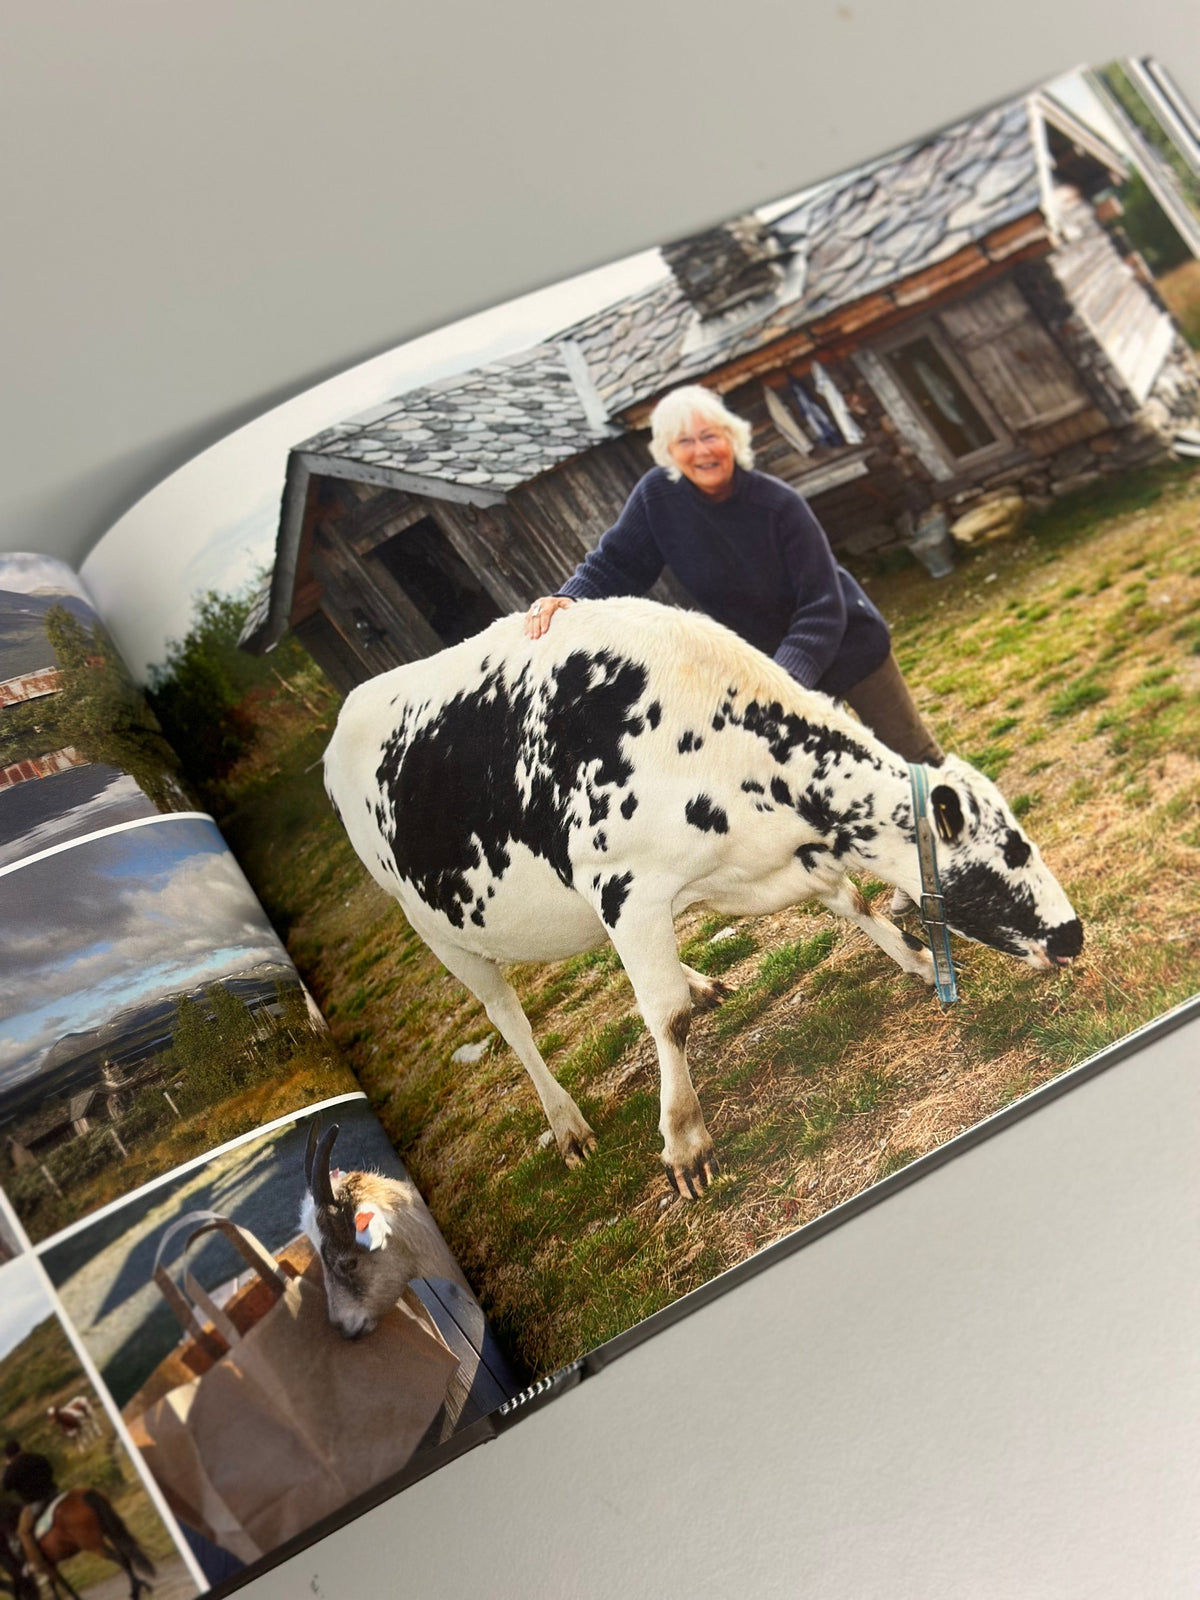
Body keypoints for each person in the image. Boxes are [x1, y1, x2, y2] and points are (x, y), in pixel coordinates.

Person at [524, 384, 943, 766]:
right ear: (668, 451)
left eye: (710, 436)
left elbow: (822, 606)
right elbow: (616, 562)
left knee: (913, 761)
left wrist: (781, 684)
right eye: (685, 441)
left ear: (732, 439)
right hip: (771, 667)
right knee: (838, 784)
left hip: (849, 646)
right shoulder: (658, 498)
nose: (701, 451)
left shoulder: (780, 506)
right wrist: (570, 597)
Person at [3, 1439, 57, 1596]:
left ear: (9, 1455)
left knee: (23, 1533)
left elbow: (6, 1486)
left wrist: (8, 1467)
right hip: (54, 1493)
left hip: (36, 1502)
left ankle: (36, 1564)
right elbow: (50, 1469)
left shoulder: (13, 1468)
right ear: (21, 1448)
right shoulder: (36, 1457)